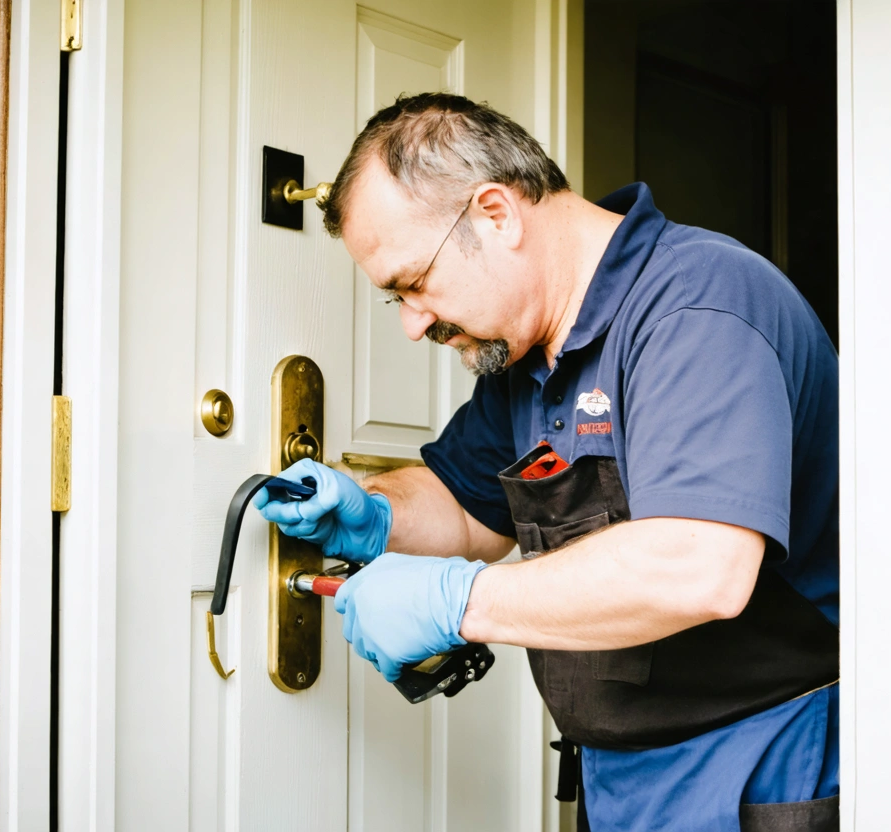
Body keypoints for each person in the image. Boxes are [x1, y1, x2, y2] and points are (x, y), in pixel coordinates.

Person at [256, 92, 840, 832]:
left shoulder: (698, 308)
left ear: (496, 214)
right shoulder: (527, 351)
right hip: (624, 771)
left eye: (413, 283)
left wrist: (459, 602)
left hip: (759, 762)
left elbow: (700, 567)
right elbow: (469, 506)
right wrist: (373, 513)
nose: (412, 322)